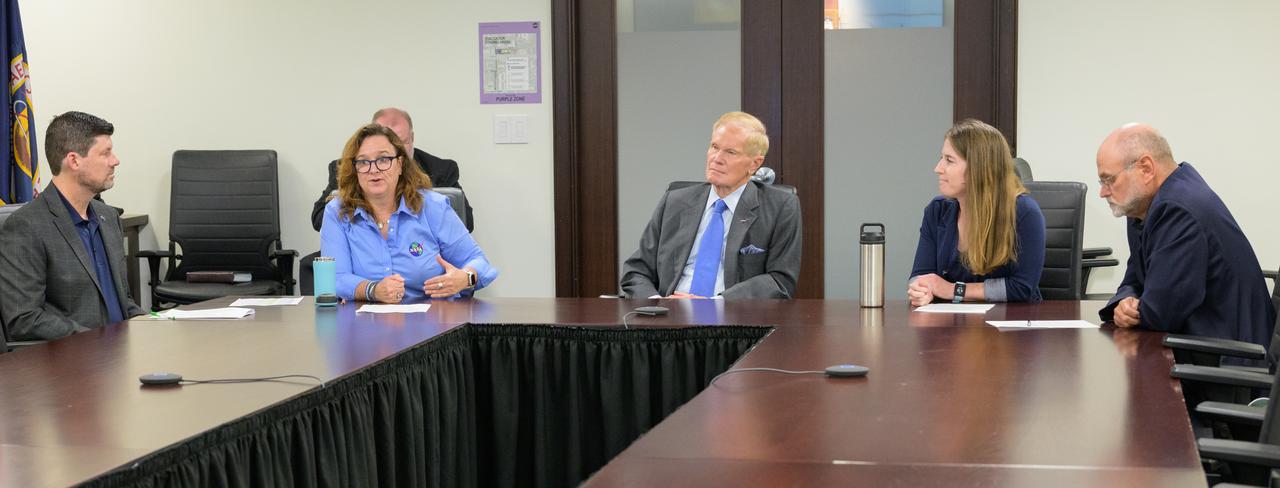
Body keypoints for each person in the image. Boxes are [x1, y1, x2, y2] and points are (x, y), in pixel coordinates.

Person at [1096, 123, 1274, 350]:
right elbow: (1135, 279)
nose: (1103, 192)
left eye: (1109, 180)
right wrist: (1124, 303)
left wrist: (1132, 312)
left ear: (1146, 169)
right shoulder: (1146, 206)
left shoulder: (1177, 210)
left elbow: (1161, 312)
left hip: (1228, 360)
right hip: (1201, 346)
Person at [620, 111, 801, 299]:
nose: (717, 158)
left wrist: (716, 304)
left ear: (755, 163)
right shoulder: (675, 201)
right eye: (715, 147)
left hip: (731, 319)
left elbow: (780, 280)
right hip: (668, 316)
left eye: (730, 152)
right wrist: (657, 306)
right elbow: (637, 270)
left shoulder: (781, 207)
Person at [0, 111, 144, 340]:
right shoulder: (26, 226)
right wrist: (95, 340)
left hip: (123, 355)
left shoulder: (109, 218)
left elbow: (122, 302)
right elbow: (23, 319)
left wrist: (152, 325)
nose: (115, 160)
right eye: (105, 153)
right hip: (73, 365)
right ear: (74, 160)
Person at [320, 123, 497, 302]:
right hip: (365, 322)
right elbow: (334, 278)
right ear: (354, 169)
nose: (373, 169)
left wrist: (465, 278)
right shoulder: (338, 212)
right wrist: (372, 290)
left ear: (400, 164)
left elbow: (479, 262)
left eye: (383, 159)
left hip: (433, 321)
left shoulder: (432, 207)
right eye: (363, 162)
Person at [908, 119, 1046, 306]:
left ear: (978, 169)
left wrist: (951, 290)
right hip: (950, 326)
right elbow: (921, 275)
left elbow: (1022, 287)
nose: (938, 168)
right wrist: (920, 290)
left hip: (1010, 326)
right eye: (941, 158)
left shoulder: (1024, 212)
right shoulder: (937, 210)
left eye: (949, 160)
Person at [311, 107, 473, 231]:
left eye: (402, 142)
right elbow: (319, 219)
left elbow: (466, 222)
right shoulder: (347, 167)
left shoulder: (441, 169)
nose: (397, 150)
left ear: (412, 138)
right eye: (386, 145)